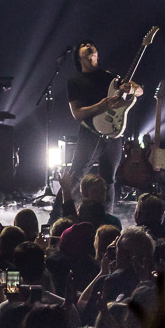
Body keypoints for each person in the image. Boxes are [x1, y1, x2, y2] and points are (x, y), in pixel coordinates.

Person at [66, 40, 143, 212]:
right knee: (76, 176)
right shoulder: (75, 82)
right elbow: (77, 114)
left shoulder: (110, 77)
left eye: (91, 44)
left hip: (113, 134)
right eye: (84, 45)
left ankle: (106, 218)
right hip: (89, 134)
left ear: (97, 54)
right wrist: (101, 105)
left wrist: (130, 89)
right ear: (78, 56)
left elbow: (139, 91)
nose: (89, 45)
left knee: (109, 179)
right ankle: (59, 217)